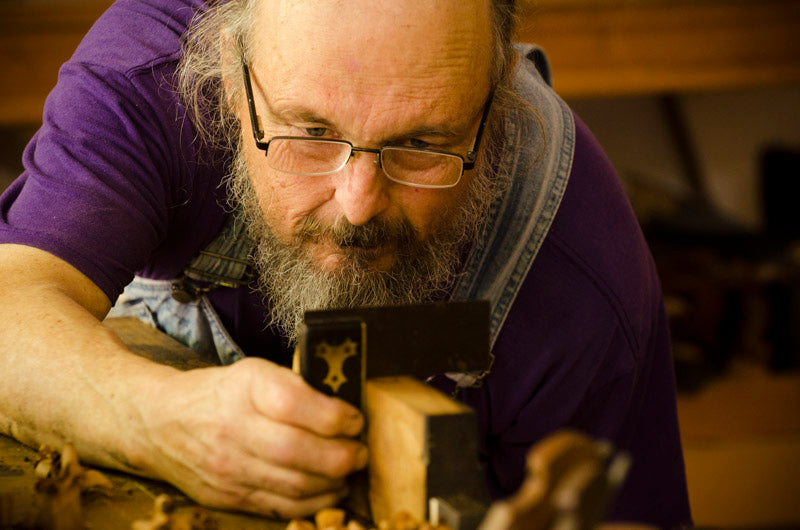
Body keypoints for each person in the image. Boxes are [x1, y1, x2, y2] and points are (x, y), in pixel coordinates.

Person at [0, 0, 691, 526]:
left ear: (496, 105)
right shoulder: (144, 84)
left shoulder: (580, 280)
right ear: (227, 80)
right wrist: (154, 419)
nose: (358, 205)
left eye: (421, 143)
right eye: (310, 133)